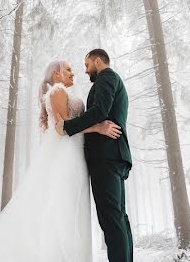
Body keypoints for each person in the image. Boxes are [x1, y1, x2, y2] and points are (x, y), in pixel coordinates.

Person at [0, 59, 121, 261]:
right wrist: (98, 127)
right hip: (66, 155)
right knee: (62, 204)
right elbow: (63, 127)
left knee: (74, 205)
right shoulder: (56, 91)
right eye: (68, 69)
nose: (73, 73)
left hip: (77, 155)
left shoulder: (64, 92)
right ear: (56, 74)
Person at [59, 48, 133, 262]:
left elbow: (99, 110)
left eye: (87, 65)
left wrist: (67, 126)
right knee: (118, 218)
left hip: (106, 156)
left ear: (98, 61)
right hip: (113, 156)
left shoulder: (106, 78)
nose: (85, 70)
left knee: (111, 219)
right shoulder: (111, 80)